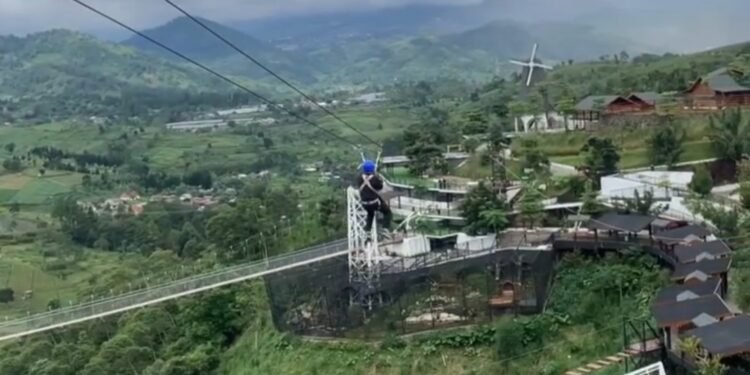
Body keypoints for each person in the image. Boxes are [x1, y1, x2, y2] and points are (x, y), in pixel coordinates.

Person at [357, 159, 392, 235]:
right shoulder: (375, 178)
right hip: (374, 203)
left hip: (365, 204)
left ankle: (367, 230)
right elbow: (380, 187)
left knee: (370, 214)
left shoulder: (359, 178)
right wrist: (379, 179)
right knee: (387, 212)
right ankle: (385, 229)